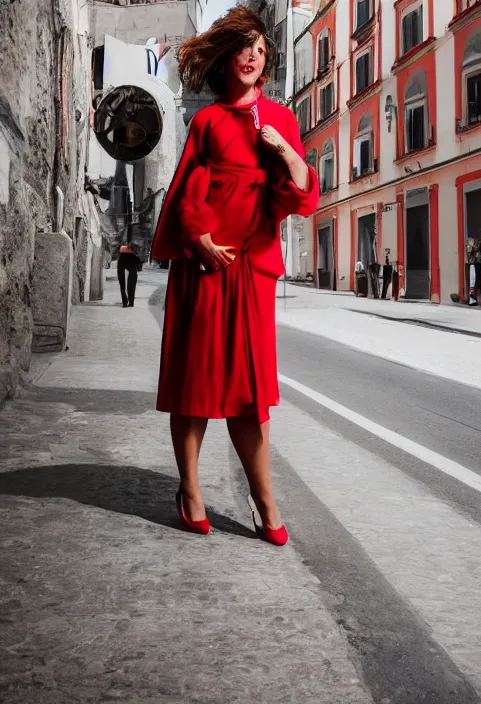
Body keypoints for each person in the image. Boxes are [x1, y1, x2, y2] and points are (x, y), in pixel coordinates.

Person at [151, 7, 319, 546]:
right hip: (205, 269)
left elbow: (297, 195)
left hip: (252, 271)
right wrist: (198, 238)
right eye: (245, 47)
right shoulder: (206, 121)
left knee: (251, 392)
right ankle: (191, 490)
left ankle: (265, 501)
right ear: (227, 58)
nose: (253, 55)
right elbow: (186, 193)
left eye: (262, 50)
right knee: (195, 384)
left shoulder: (282, 119)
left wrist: (286, 150)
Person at [117, 243, 142, 308]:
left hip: (122, 259)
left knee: (122, 284)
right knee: (132, 285)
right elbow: (139, 260)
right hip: (132, 259)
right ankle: (131, 302)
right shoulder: (135, 248)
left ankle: (125, 302)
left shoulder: (122, 247)